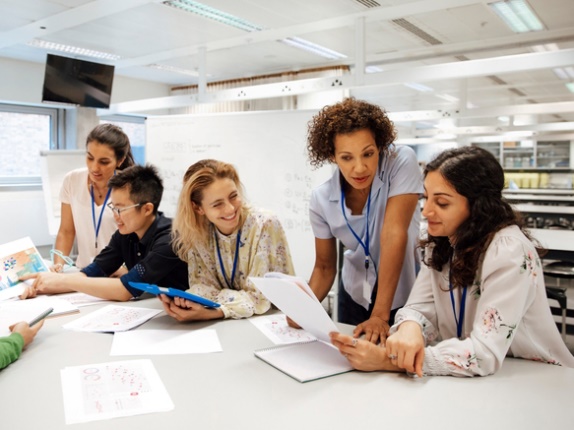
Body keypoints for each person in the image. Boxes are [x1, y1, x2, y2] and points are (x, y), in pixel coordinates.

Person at [330, 146, 574, 377]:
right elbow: (419, 307)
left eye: (442, 202)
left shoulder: (509, 252)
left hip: (532, 378)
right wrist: (410, 329)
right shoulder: (442, 241)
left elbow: (484, 353)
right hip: (471, 376)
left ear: (478, 206)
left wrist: (388, 360)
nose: (426, 212)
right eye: (426, 198)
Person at [301, 97, 422, 343]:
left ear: (380, 146)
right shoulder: (322, 199)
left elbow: (394, 233)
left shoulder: (401, 162)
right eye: (347, 157)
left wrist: (380, 315)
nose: (359, 168)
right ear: (332, 156)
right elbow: (324, 268)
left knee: (396, 364)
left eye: (368, 154)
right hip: (355, 292)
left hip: (403, 289)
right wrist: (303, 310)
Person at [20, 164, 188, 301]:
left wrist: (61, 280)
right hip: (155, 308)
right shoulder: (126, 233)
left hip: (188, 318)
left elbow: (125, 290)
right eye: (113, 207)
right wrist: (41, 284)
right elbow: (91, 273)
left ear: (147, 209)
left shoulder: (170, 239)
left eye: (120, 209)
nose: (115, 216)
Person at [159, 159, 295, 321]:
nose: (230, 209)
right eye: (217, 204)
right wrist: (184, 302)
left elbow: (259, 298)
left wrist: (215, 311)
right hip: (227, 324)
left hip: (271, 321)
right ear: (198, 208)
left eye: (233, 196)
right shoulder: (198, 232)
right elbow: (202, 289)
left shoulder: (264, 224)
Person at [52, 123, 135, 272]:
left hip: (118, 274)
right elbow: (66, 231)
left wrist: (125, 270)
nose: (94, 168)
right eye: (90, 158)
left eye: (104, 162)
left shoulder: (131, 187)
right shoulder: (72, 180)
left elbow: (137, 239)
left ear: (120, 160)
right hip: (83, 271)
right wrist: (59, 265)